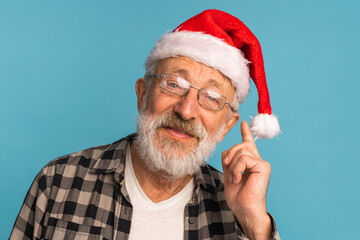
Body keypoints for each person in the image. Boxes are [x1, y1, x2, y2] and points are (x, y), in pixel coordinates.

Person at [10, 9, 281, 240]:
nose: (186, 111)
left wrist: (255, 224)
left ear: (226, 126)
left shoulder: (239, 210)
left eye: (211, 98)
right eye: (174, 85)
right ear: (142, 94)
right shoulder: (58, 182)